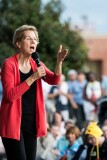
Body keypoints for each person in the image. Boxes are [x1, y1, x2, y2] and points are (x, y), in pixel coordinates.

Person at [0, 25, 68, 160]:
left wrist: (59, 62)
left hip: (31, 122)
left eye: (35, 39)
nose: (33, 42)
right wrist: (33, 78)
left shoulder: (36, 63)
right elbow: (10, 95)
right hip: (13, 123)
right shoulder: (9, 64)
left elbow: (54, 80)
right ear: (18, 43)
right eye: (29, 38)